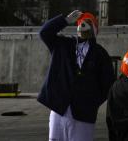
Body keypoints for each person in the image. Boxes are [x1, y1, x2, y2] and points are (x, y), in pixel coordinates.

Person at [38, 10, 115, 141]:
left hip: (84, 114)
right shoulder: (63, 45)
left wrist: (90, 101)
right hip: (59, 109)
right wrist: (65, 21)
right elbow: (44, 33)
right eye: (80, 22)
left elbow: (107, 84)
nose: (83, 25)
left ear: (95, 29)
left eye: (88, 22)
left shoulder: (100, 54)